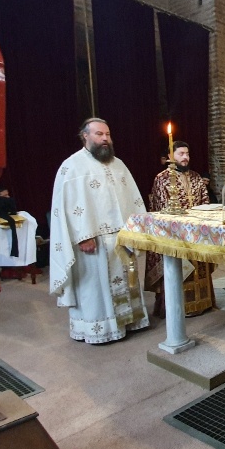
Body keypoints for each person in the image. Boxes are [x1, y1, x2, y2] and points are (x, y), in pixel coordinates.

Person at [49, 118, 149, 344]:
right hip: (93, 240)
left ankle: (129, 322)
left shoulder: (118, 164)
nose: (105, 139)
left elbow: (132, 199)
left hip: (121, 238)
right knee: (95, 288)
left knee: (127, 282)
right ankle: (100, 330)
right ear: (85, 136)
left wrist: (136, 230)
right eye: (99, 134)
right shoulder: (72, 166)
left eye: (107, 134)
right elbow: (67, 207)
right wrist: (83, 235)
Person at [144, 141, 214, 319]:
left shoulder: (196, 177)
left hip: (197, 233)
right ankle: (178, 307)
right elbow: (161, 207)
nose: (185, 157)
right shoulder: (162, 178)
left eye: (187, 154)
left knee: (200, 266)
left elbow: (205, 201)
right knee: (178, 269)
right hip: (175, 234)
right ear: (170, 156)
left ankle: (203, 303)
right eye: (181, 154)